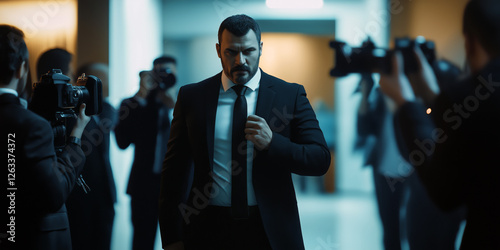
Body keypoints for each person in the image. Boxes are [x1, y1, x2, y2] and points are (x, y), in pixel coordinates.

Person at [159, 14, 331, 250]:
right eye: (231, 52)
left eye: (248, 51)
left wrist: (273, 143)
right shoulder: (192, 97)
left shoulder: (289, 95)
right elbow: (173, 172)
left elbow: (319, 159)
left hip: (270, 229)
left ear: (260, 48)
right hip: (207, 228)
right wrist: (171, 237)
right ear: (219, 50)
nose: (240, 60)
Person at [378, 0, 500, 249]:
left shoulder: (466, 95)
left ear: (470, 42)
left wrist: (406, 102)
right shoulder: (464, 98)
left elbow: (445, 192)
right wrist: (434, 97)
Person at [0, 24, 90, 250]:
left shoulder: (31, 122)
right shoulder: (31, 126)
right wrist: (76, 136)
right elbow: (54, 194)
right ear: (21, 69)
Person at [114, 56, 177, 250]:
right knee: (142, 241)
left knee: (178, 240)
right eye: (159, 73)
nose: (163, 78)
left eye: (168, 73)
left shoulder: (184, 103)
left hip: (176, 185)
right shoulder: (136, 103)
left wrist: (174, 106)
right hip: (143, 184)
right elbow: (122, 142)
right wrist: (141, 95)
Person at [65, 63, 117, 250]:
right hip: (79, 197)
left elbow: (113, 116)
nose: (109, 86)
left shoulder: (107, 110)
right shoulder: (70, 115)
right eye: (102, 82)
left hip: (105, 194)